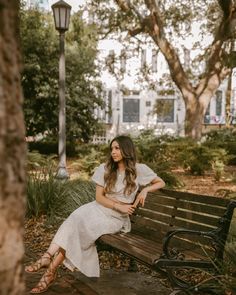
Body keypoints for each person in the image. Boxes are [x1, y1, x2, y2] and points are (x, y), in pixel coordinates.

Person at [25, 135, 165, 294]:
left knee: (79, 227)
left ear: (127, 149)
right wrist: (118, 205)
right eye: (112, 148)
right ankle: (48, 259)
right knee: (75, 218)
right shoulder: (105, 169)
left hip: (116, 219)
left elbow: (161, 182)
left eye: (117, 148)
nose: (113, 152)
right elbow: (99, 198)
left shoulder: (140, 170)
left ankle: (49, 268)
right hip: (99, 208)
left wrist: (145, 189)